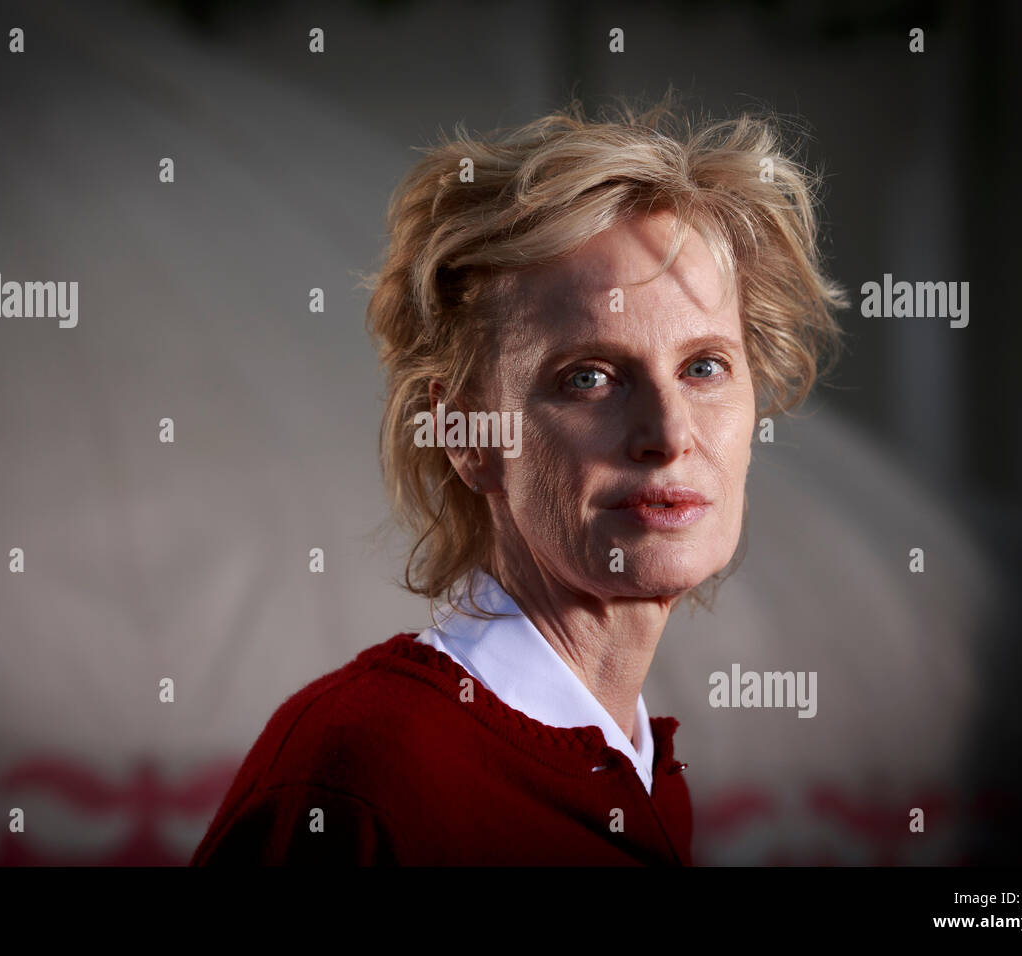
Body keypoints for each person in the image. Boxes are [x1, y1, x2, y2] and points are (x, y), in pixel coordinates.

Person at [192, 92, 847, 865]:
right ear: (467, 435)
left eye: (704, 366)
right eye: (591, 378)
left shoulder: (640, 777)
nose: (670, 434)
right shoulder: (361, 777)